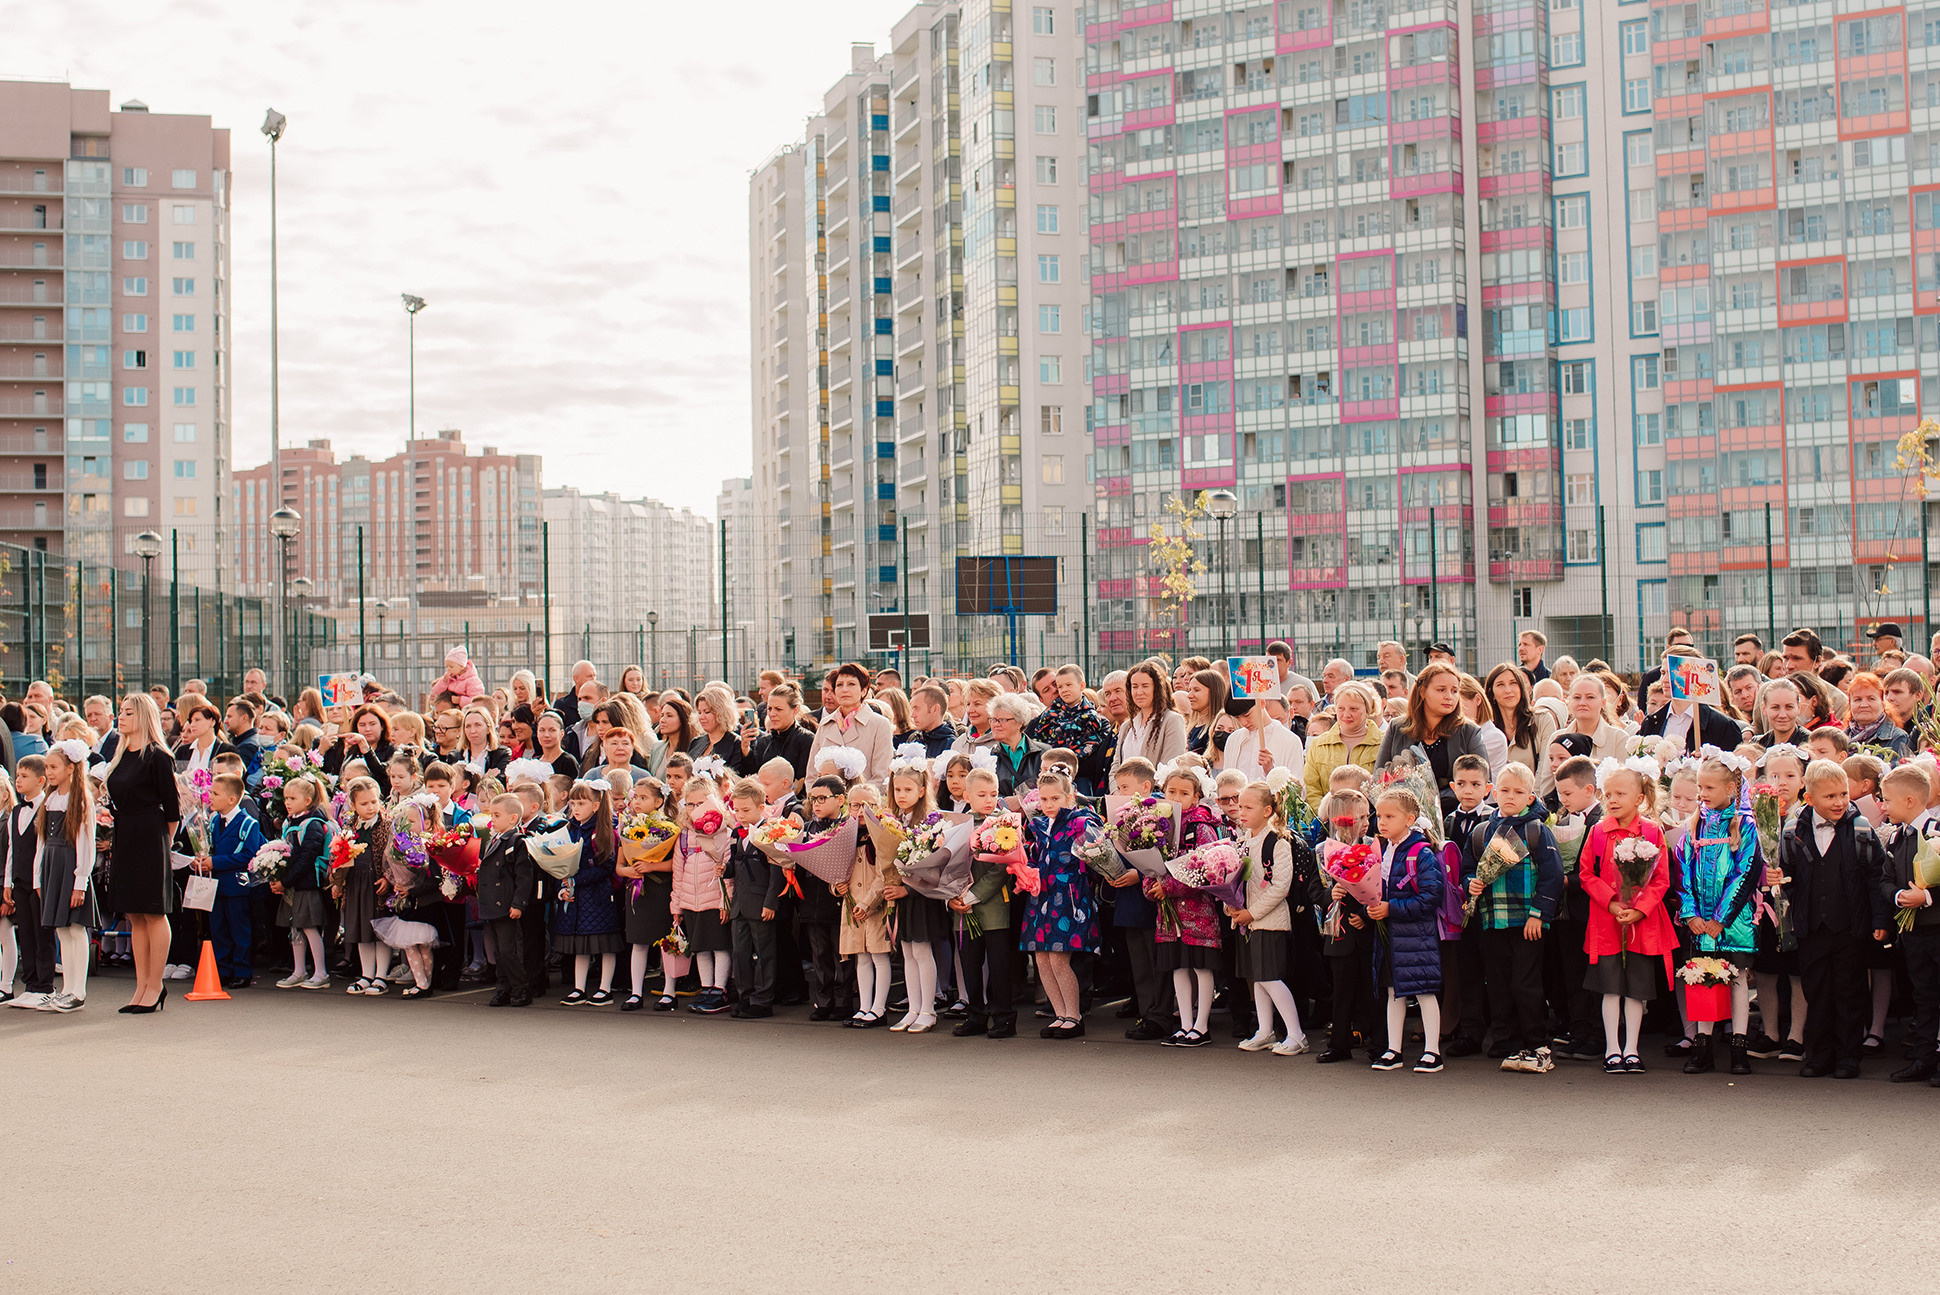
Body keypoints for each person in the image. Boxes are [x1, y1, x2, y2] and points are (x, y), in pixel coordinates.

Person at [1782, 760, 1890, 1079]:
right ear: (1810, 798)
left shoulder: (1860, 828)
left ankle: (1848, 1054)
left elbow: (1875, 876)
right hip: (1811, 925)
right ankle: (1820, 1052)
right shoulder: (1792, 830)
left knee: (1849, 989)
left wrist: (1880, 920)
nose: (1840, 802)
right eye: (1830, 797)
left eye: (1843, 794)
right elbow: (1788, 873)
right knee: (1817, 990)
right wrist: (1778, 877)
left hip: (1850, 926)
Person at [1463, 761, 1563, 1071]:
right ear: (1493, 791)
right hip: (1494, 919)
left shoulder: (1536, 830)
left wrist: (1539, 914)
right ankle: (1504, 1037)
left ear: (1530, 797)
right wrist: (1471, 883)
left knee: (1525, 981)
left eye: (1519, 792)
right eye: (1504, 790)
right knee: (1498, 981)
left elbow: (1553, 875)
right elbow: (1468, 868)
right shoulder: (1482, 831)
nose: (1510, 796)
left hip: (1527, 921)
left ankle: (1535, 1040)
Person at [1579, 758, 1677, 1074]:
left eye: (1620, 794)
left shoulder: (1651, 831)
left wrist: (1640, 908)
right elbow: (1585, 874)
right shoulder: (1597, 832)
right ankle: (1612, 1048)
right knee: (1610, 988)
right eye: (1607, 794)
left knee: (1636, 989)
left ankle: (1631, 1049)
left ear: (1639, 799)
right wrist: (1610, 903)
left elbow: (1661, 877)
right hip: (1607, 922)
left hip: (1640, 924)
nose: (1612, 800)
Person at [1674, 751, 1762, 1075]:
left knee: (1738, 979)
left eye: (1709, 788)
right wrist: (1691, 914)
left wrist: (1721, 918)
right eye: (1700, 787)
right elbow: (1682, 871)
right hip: (1701, 923)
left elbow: (1746, 872)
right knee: (1704, 978)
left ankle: (1740, 1046)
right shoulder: (1695, 823)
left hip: (1732, 920)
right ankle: (1703, 1046)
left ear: (1731, 789)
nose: (1702, 794)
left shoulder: (1745, 825)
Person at [105, 694, 180, 1011]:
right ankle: (141, 986)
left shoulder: (159, 757)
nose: (120, 717)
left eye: (127, 712)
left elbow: (173, 811)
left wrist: (162, 845)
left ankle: (155, 985)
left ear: (144, 716)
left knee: (153, 911)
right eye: (119, 712)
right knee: (134, 914)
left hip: (151, 835)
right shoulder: (120, 754)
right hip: (124, 834)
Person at [1143, 764, 1226, 1047]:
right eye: (1171, 791)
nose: (1176, 797)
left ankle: (1202, 1026)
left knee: (1201, 967)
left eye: (1184, 793)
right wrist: (1151, 886)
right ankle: (1184, 1024)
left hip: (1197, 911)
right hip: (1168, 914)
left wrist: (1169, 887)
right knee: (1178, 967)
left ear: (1197, 796)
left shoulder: (1202, 826)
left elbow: (1206, 870)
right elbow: (1150, 862)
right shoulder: (1157, 823)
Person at [1229, 781, 1313, 1057]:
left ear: (1267, 810)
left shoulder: (1277, 841)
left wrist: (1251, 912)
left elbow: (1280, 886)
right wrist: (1232, 906)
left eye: (1248, 807)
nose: (1241, 812)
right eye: (1240, 806)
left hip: (1269, 921)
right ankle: (1265, 1031)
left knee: (1272, 978)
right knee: (1258, 979)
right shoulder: (1243, 840)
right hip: (1248, 922)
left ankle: (1296, 1034)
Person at [1018, 767, 1102, 1039]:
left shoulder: (1081, 821)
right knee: (1042, 959)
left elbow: (1095, 859)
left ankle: (1074, 1016)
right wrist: (1026, 871)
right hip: (1041, 897)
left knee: (1058, 959)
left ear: (1070, 795)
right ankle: (1060, 1013)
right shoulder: (1040, 825)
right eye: (1044, 800)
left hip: (1068, 898)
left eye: (1056, 798)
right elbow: (1035, 856)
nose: (1049, 804)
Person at [1367, 785, 1446, 1072]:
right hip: (1391, 934)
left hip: (1417, 935)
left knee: (1424, 991)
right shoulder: (1382, 850)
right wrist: (1371, 908)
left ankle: (1432, 1051)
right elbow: (1375, 889)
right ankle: (1393, 1049)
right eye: (1379, 815)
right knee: (1393, 992)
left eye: (1390, 816)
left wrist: (1392, 909)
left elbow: (1431, 896)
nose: (1382, 822)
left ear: (1410, 819)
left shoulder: (1419, 852)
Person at [1877, 765, 1940, 1082]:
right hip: (1914, 934)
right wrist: (1900, 895)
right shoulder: (1897, 837)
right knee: (1923, 996)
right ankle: (1924, 1058)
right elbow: (1886, 880)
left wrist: (1927, 898)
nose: (1883, 806)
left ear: (1911, 800)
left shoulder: (1936, 832)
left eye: (1887, 800)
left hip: (1937, 927)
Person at [950, 765, 1018, 1039]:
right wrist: (951, 897)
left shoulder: (1006, 822)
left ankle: (1003, 1017)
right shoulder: (956, 823)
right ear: (967, 796)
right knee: (970, 964)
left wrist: (971, 895)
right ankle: (975, 1015)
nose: (989, 800)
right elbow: (946, 863)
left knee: (1000, 965)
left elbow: (1000, 869)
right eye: (982, 795)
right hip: (961, 907)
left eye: (993, 794)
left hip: (993, 905)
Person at [883, 752, 946, 1033]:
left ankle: (928, 1010)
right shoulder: (893, 821)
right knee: (907, 952)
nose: (901, 795)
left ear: (922, 791)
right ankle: (913, 1009)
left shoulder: (931, 822)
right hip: (901, 894)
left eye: (908, 789)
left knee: (921, 951)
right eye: (897, 790)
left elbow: (933, 867)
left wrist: (907, 890)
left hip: (921, 897)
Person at [1375, 662, 1489, 817]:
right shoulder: (1397, 727)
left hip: (1455, 814)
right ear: (1422, 691)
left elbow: (1482, 780)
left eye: (1455, 691)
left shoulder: (1469, 731)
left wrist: (1433, 801)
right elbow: (1380, 777)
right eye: (1441, 690)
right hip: (1403, 815)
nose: (1449, 696)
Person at [34, 741, 98, 1013]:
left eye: (53, 767)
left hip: (70, 867)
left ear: (70, 768)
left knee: (75, 928)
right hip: (52, 865)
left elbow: (86, 842)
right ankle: (65, 989)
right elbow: (42, 840)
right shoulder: (49, 798)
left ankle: (78, 991)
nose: (48, 772)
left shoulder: (81, 799)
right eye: (47, 767)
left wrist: (80, 881)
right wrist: (38, 876)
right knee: (61, 929)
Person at [721, 778, 785, 1019]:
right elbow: (736, 864)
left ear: (761, 808)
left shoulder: (771, 831)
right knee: (741, 953)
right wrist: (725, 869)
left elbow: (777, 870)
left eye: (745, 810)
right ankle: (745, 995)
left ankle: (763, 999)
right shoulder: (737, 833)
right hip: (740, 903)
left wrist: (771, 902)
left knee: (765, 952)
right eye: (736, 810)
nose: (740, 815)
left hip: (760, 903)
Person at [197, 772, 268, 988]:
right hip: (216, 885)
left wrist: (215, 862)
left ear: (231, 799)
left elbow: (248, 855)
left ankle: (242, 970)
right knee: (218, 929)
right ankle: (222, 969)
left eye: (215, 794)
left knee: (239, 929)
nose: (210, 797)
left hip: (237, 885)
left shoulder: (248, 824)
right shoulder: (214, 820)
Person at [838, 781, 894, 1027]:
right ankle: (863, 1007)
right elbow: (836, 870)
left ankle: (879, 1008)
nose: (860, 810)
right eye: (855, 805)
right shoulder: (844, 835)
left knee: (879, 956)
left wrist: (869, 902)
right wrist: (835, 886)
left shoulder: (882, 835)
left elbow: (886, 875)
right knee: (861, 957)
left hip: (875, 907)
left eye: (867, 805)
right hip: (852, 907)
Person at [271, 774, 334, 991]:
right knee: (295, 928)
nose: (287, 802)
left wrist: (286, 880)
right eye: (286, 798)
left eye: (292, 798)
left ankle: (321, 972)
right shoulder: (290, 822)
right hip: (293, 885)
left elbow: (307, 859)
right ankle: (299, 971)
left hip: (306, 884)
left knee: (309, 927)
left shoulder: (313, 824)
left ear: (307, 800)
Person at [476, 793, 536, 1008]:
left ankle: (521, 988)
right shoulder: (494, 839)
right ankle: (503, 988)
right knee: (498, 952)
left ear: (513, 818)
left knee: (508, 951)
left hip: (506, 904)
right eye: (491, 814)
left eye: (497, 815)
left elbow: (524, 877)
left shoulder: (516, 841)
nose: (492, 819)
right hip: (492, 903)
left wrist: (518, 904)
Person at [2, 756, 52, 1008]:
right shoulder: (16, 811)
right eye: (17, 775)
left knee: (42, 932)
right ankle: (30, 984)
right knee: (26, 934)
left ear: (41, 781)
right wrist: (7, 882)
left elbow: (42, 848)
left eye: (24, 776)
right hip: (19, 880)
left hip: (38, 882)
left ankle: (45, 985)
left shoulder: (46, 808)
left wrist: (37, 880)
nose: (18, 780)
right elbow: (12, 848)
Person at [1023, 665, 1114, 795]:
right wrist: (1050, 763)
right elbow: (1037, 744)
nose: (1059, 690)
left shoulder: (1092, 716)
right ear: (1041, 700)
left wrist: (1071, 759)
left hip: (1079, 775)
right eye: (1059, 687)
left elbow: (1093, 744)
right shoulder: (1045, 718)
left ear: (1081, 686)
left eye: (1056, 684)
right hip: (1050, 774)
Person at [1301, 679, 1383, 812]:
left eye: (1354, 709)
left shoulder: (1383, 743)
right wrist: (1327, 817)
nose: (1346, 714)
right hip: (1327, 823)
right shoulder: (1318, 744)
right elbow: (1311, 788)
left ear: (1367, 711)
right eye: (1341, 708)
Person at [807, 662, 894, 782]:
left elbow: (881, 775)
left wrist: (858, 798)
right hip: (825, 799)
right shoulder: (825, 724)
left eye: (851, 684)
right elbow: (812, 774)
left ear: (864, 691)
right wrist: (818, 796)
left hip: (864, 798)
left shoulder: (879, 724)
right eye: (839, 685)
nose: (844, 689)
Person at [1113, 661, 1186, 775]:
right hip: (1122, 792)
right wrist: (1116, 790)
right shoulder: (1126, 726)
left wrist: (1142, 790)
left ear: (1157, 688)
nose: (1139, 692)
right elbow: (1116, 766)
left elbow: (1169, 767)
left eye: (1145, 686)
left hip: (1152, 792)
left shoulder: (1172, 720)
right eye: (1135, 686)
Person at [1217, 695, 1304, 783]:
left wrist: (1271, 772)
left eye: (1247, 715)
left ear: (1262, 703)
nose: (1243, 722)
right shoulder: (1233, 740)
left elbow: (1297, 789)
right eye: (1237, 718)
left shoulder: (1290, 741)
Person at [985, 693, 1046, 798]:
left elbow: (1050, 788)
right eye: (993, 720)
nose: (996, 724)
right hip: (1000, 813)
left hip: (1037, 813)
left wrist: (1020, 800)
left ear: (1020, 723)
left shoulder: (1043, 752)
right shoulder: (988, 755)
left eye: (1002, 720)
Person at [322, 705, 395, 778]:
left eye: (372, 724)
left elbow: (383, 775)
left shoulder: (391, 750)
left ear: (382, 726)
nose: (367, 729)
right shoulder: (353, 749)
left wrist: (366, 751)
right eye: (362, 725)